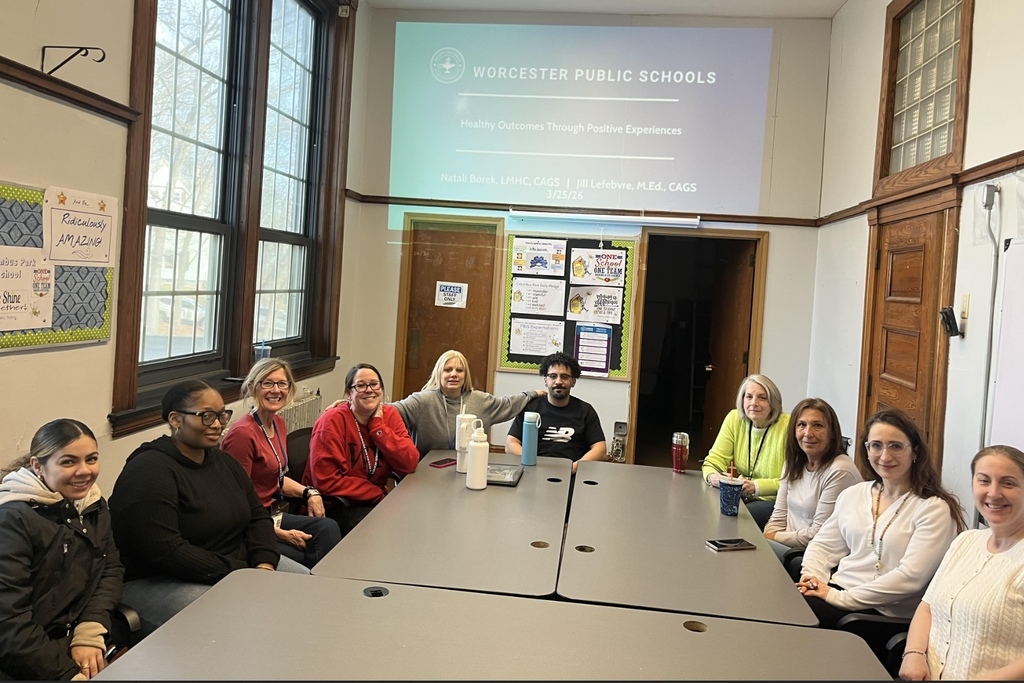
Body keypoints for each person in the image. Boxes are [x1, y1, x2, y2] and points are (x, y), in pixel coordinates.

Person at [109, 380, 305, 638]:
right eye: (206, 416)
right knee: (243, 625)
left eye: (222, 415)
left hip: (236, 567)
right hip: (164, 579)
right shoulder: (149, 471)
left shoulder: (223, 461)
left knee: (307, 591)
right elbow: (166, 552)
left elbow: (257, 517)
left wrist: (264, 564)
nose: (217, 424)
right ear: (176, 419)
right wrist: (242, 573)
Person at [797, 407, 965, 629]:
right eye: (876, 445)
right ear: (866, 450)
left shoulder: (934, 509)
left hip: (881, 615)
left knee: (791, 616)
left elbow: (910, 579)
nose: (885, 456)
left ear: (915, 452)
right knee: (785, 603)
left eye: (895, 446)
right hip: (837, 591)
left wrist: (840, 598)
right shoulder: (854, 494)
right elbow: (823, 546)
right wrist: (812, 579)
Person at [0, 419, 123, 681]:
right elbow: (9, 624)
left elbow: (109, 570)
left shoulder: (92, 504)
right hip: (26, 657)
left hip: (76, 640)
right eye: (68, 462)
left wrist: (90, 631)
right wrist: (66, 674)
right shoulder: (12, 520)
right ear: (37, 466)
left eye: (91, 459)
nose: (84, 471)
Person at [899, 445, 1024, 681]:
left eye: (1008, 483)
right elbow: (928, 606)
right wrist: (913, 654)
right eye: (984, 481)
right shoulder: (966, 541)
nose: (994, 493)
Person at [221, 358, 342, 569]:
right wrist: (280, 534)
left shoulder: (278, 423)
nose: (275, 390)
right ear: (252, 388)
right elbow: (233, 502)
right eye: (267, 383)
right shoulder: (242, 434)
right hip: (248, 526)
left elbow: (274, 477)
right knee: (310, 549)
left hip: (270, 515)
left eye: (282, 384)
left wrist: (310, 492)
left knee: (328, 528)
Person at [303, 363, 419, 537]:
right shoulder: (331, 422)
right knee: (389, 533)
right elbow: (327, 482)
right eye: (361, 385)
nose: (369, 390)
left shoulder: (389, 415)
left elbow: (409, 462)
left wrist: (378, 429)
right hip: (335, 505)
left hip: (371, 500)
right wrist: (375, 493)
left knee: (414, 519)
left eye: (374, 384)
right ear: (349, 393)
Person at [392, 349, 545, 459]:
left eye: (460, 370)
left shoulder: (480, 400)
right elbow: (391, 412)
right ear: (439, 373)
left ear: (465, 375)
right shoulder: (421, 401)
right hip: (426, 474)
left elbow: (508, 404)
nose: (454, 374)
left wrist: (533, 394)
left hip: (469, 470)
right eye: (448, 370)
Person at [764, 398, 862, 565]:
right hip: (787, 548)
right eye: (801, 425)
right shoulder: (793, 462)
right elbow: (778, 516)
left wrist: (772, 537)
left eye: (818, 425)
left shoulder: (840, 471)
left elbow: (818, 534)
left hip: (817, 557)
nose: (808, 433)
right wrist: (770, 535)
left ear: (832, 433)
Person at [702, 374, 790, 529]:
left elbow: (795, 482)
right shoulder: (734, 418)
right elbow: (712, 462)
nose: (754, 403)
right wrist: (715, 478)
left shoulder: (789, 426)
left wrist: (756, 486)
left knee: (736, 520)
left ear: (773, 402)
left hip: (775, 501)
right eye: (749, 397)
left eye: (762, 398)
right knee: (707, 510)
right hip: (742, 495)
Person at [505, 352, 607, 474]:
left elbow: (600, 448)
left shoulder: (586, 411)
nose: (558, 381)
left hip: (572, 475)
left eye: (564, 377)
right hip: (533, 473)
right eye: (553, 376)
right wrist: (531, 462)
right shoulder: (530, 408)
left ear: (573, 381)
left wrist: (574, 468)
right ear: (545, 380)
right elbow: (510, 444)